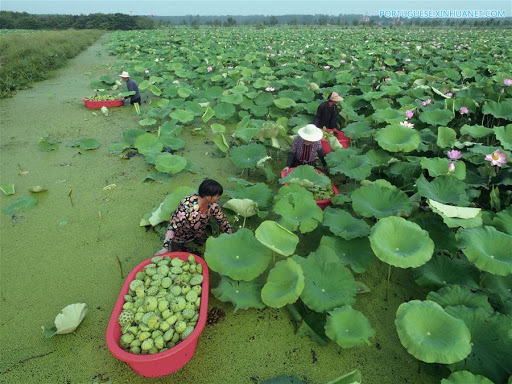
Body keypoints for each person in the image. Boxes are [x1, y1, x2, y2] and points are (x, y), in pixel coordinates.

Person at [156, 179, 232, 254]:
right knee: (181, 255)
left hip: (197, 233)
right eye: (217, 196)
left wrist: (231, 237)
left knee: (204, 249)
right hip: (180, 237)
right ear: (208, 197)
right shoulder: (187, 205)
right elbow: (173, 227)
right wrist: (165, 248)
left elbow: (222, 220)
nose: (219, 198)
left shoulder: (213, 206)